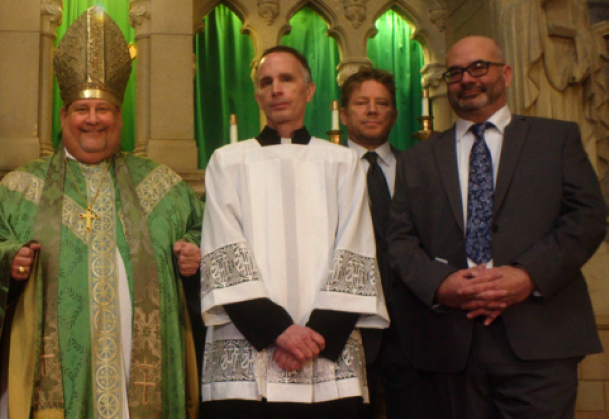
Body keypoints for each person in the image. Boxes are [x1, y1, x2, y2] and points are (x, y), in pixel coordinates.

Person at [0, 7, 204, 419]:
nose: (92, 119)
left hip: (141, 375)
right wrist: (10, 260)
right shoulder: (22, 188)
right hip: (51, 377)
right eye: (82, 109)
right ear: (63, 116)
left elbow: (206, 234)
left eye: (104, 110)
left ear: (118, 117)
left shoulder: (163, 187)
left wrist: (195, 254)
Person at [388, 35, 607, 418]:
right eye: (455, 72)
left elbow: (586, 218)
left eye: (478, 67)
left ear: (505, 74)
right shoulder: (417, 159)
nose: (466, 79)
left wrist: (528, 276)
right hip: (451, 344)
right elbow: (400, 242)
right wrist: (441, 284)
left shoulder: (555, 138)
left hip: (542, 338)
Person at [199, 45, 388, 419]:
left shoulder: (342, 163)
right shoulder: (227, 161)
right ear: (257, 94)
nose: (276, 89)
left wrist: (313, 337)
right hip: (248, 353)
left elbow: (355, 249)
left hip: (326, 352)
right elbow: (224, 251)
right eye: (266, 82)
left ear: (309, 89)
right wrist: (277, 331)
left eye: (287, 79)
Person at [338, 68, 436, 419]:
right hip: (344, 329)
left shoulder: (420, 167)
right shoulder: (325, 168)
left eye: (382, 103)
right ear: (344, 114)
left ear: (393, 114)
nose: (372, 110)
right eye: (362, 103)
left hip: (413, 328)